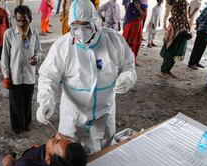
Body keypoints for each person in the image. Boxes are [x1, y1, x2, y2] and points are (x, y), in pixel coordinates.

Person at [36, 0, 137, 153]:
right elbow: (49, 77)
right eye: (75, 26)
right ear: (70, 24)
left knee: (104, 153)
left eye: (86, 25)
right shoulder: (62, 47)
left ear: (96, 21)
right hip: (73, 115)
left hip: (104, 112)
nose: (81, 31)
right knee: (70, 155)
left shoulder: (113, 40)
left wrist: (128, 77)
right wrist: (45, 101)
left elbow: (129, 65)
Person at [1, 5, 42, 134]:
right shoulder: (9, 34)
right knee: (15, 104)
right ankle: (17, 127)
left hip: (29, 75)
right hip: (15, 76)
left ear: (29, 19)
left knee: (27, 102)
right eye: (18, 20)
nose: (21, 23)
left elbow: (39, 51)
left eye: (24, 20)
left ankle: (27, 123)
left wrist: (37, 58)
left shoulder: (34, 33)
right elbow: (5, 57)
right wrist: (6, 76)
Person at [158, 0, 191, 79]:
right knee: (171, 52)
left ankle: (168, 70)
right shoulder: (177, 16)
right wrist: (186, 32)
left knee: (176, 53)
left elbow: (184, 24)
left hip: (179, 36)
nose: (185, 9)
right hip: (175, 37)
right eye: (184, 7)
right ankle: (163, 70)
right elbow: (179, 26)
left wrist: (187, 32)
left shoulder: (182, 17)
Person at [188, 0, 207, 70]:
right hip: (202, 32)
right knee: (197, 47)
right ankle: (191, 63)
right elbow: (199, 19)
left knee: (202, 48)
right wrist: (198, 28)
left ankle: (196, 62)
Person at [122, 0, 147, 66]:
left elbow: (144, 16)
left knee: (136, 44)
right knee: (126, 42)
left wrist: (139, 8)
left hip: (137, 26)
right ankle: (124, 59)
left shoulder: (143, 5)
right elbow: (127, 17)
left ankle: (133, 59)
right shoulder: (130, 5)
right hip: (129, 26)